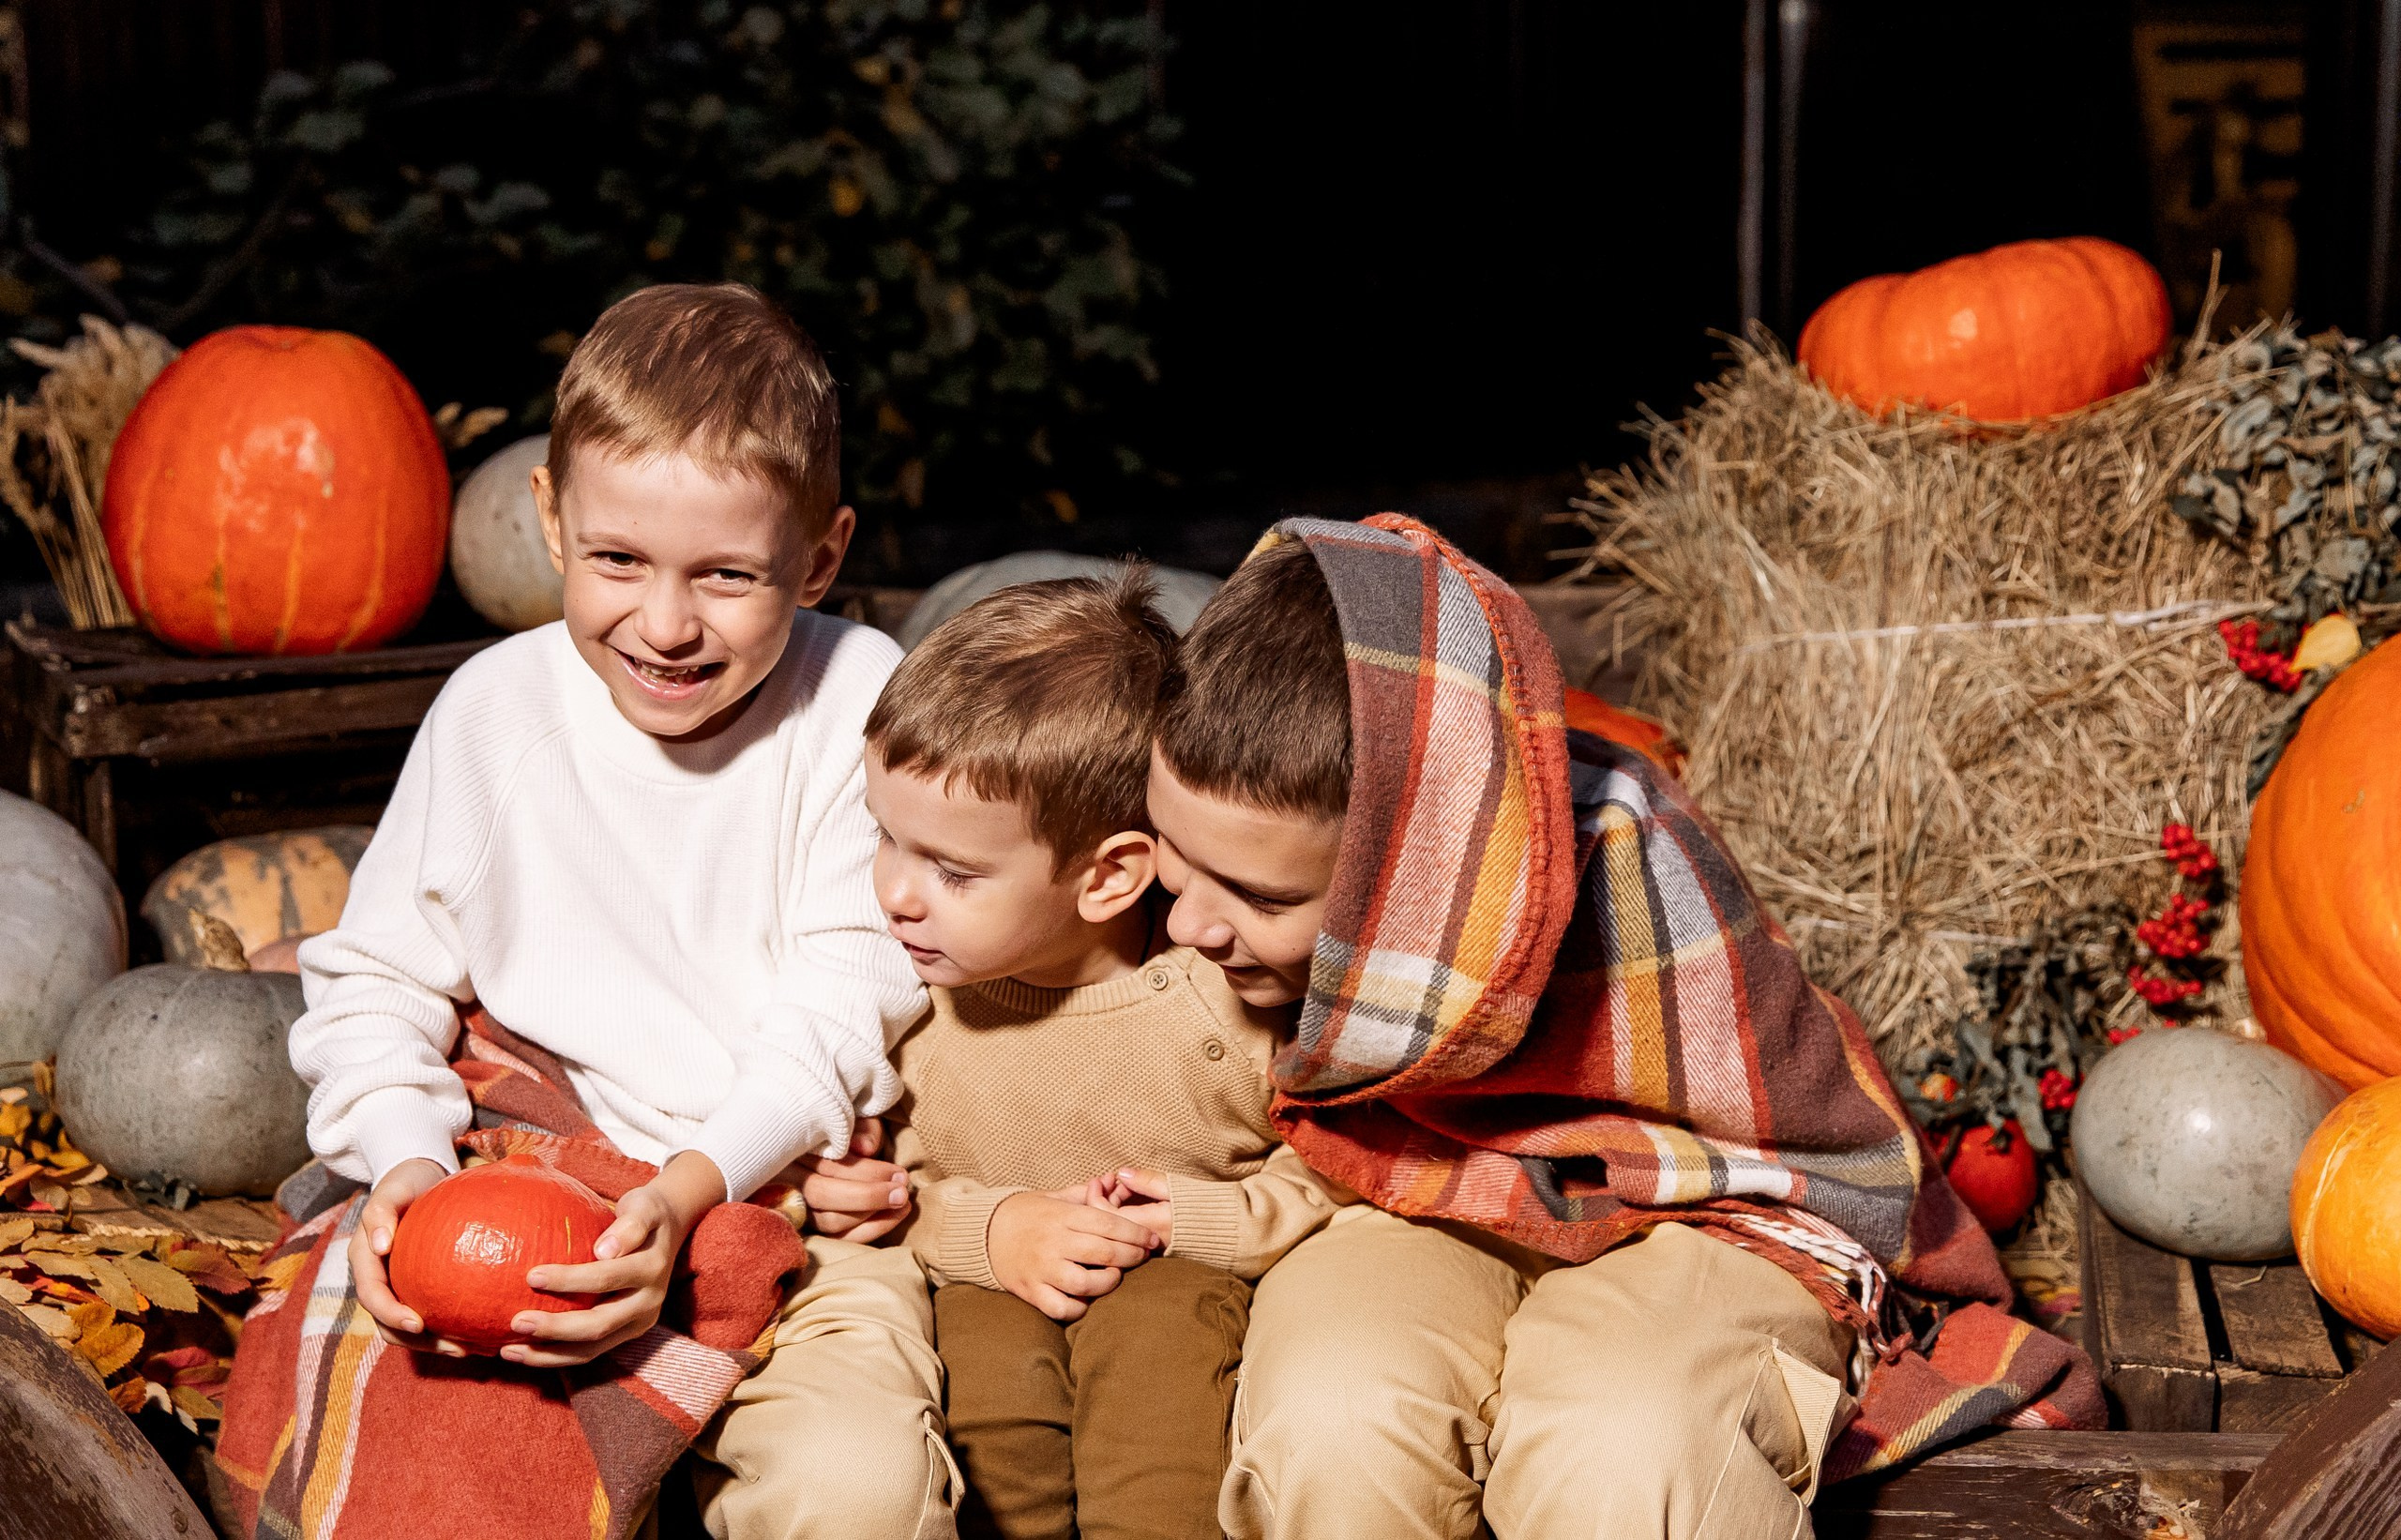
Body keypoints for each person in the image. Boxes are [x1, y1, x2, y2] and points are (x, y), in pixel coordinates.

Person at [1144, 517, 2100, 1540]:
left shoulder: (1620, 859)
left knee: (1623, 1435)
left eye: (1255, 894)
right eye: (1167, 845)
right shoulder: (1163, 906)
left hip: (1701, 1200)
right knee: (1337, 1414)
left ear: (1414, 885)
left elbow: (1781, 1138)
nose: (1188, 921)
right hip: (1399, 1173)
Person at [283, 282, 956, 1539]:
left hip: (790, 1193)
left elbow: (849, 990)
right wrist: (411, 1171)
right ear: (548, 521)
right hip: (531, 1186)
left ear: (820, 557)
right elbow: (374, 979)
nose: (664, 623)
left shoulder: (856, 700)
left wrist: (698, 1187)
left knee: (860, 1483)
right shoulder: (497, 713)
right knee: (415, 1461)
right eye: (618, 559)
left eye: (726, 575)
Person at [838, 571, 1348, 1540]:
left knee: (1163, 1382)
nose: (896, 893)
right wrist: (985, 1230)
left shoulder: (1225, 998)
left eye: (951, 870)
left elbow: (1336, 1163)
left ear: (1110, 875)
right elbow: (874, 1191)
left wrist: (1213, 1218)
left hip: (1185, 1292)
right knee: (983, 1390)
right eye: (886, 840)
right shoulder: (905, 1006)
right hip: (986, 1288)